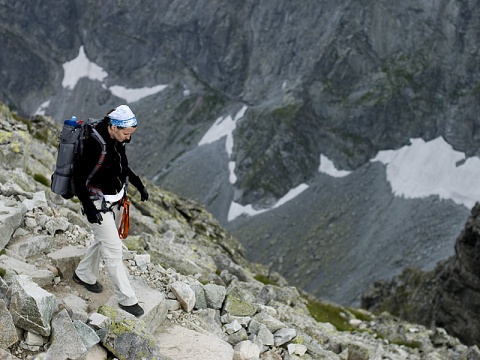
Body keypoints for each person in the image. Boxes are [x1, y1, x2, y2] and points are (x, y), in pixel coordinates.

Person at [72, 105, 149, 317]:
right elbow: (78, 178)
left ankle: (84, 274)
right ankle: (127, 299)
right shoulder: (93, 144)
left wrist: (138, 184)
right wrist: (89, 208)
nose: (128, 139)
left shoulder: (116, 140)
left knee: (103, 240)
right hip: (96, 203)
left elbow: (122, 167)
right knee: (114, 250)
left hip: (114, 201)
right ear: (114, 127)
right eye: (126, 134)